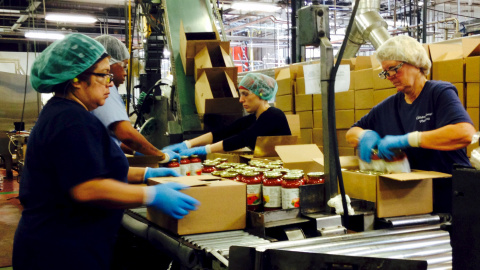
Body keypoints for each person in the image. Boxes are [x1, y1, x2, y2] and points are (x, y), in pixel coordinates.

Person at [12, 33, 199, 270]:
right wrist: (151, 195)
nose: (110, 82)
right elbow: (87, 188)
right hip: (60, 252)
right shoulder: (71, 120)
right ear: (76, 79)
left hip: (64, 244)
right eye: (103, 75)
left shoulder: (68, 114)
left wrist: (147, 174)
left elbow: (93, 168)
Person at [346, 35, 476, 212]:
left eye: (394, 69)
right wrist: (364, 136)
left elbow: (464, 133)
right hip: (414, 198)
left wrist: (409, 139)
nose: (390, 76)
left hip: (453, 197)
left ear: (415, 64)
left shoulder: (439, 93)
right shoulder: (389, 106)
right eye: (385, 72)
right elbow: (352, 132)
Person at [92, 35, 178, 161]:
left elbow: (113, 140)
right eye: (124, 67)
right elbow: (125, 134)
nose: (125, 73)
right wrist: (161, 156)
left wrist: (137, 152)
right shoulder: (106, 90)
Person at [164, 73, 292, 156]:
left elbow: (243, 138)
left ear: (262, 93)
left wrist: (204, 150)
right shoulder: (254, 118)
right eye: (241, 94)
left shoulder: (274, 116)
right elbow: (224, 132)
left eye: (245, 94)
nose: (241, 100)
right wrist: (187, 144)